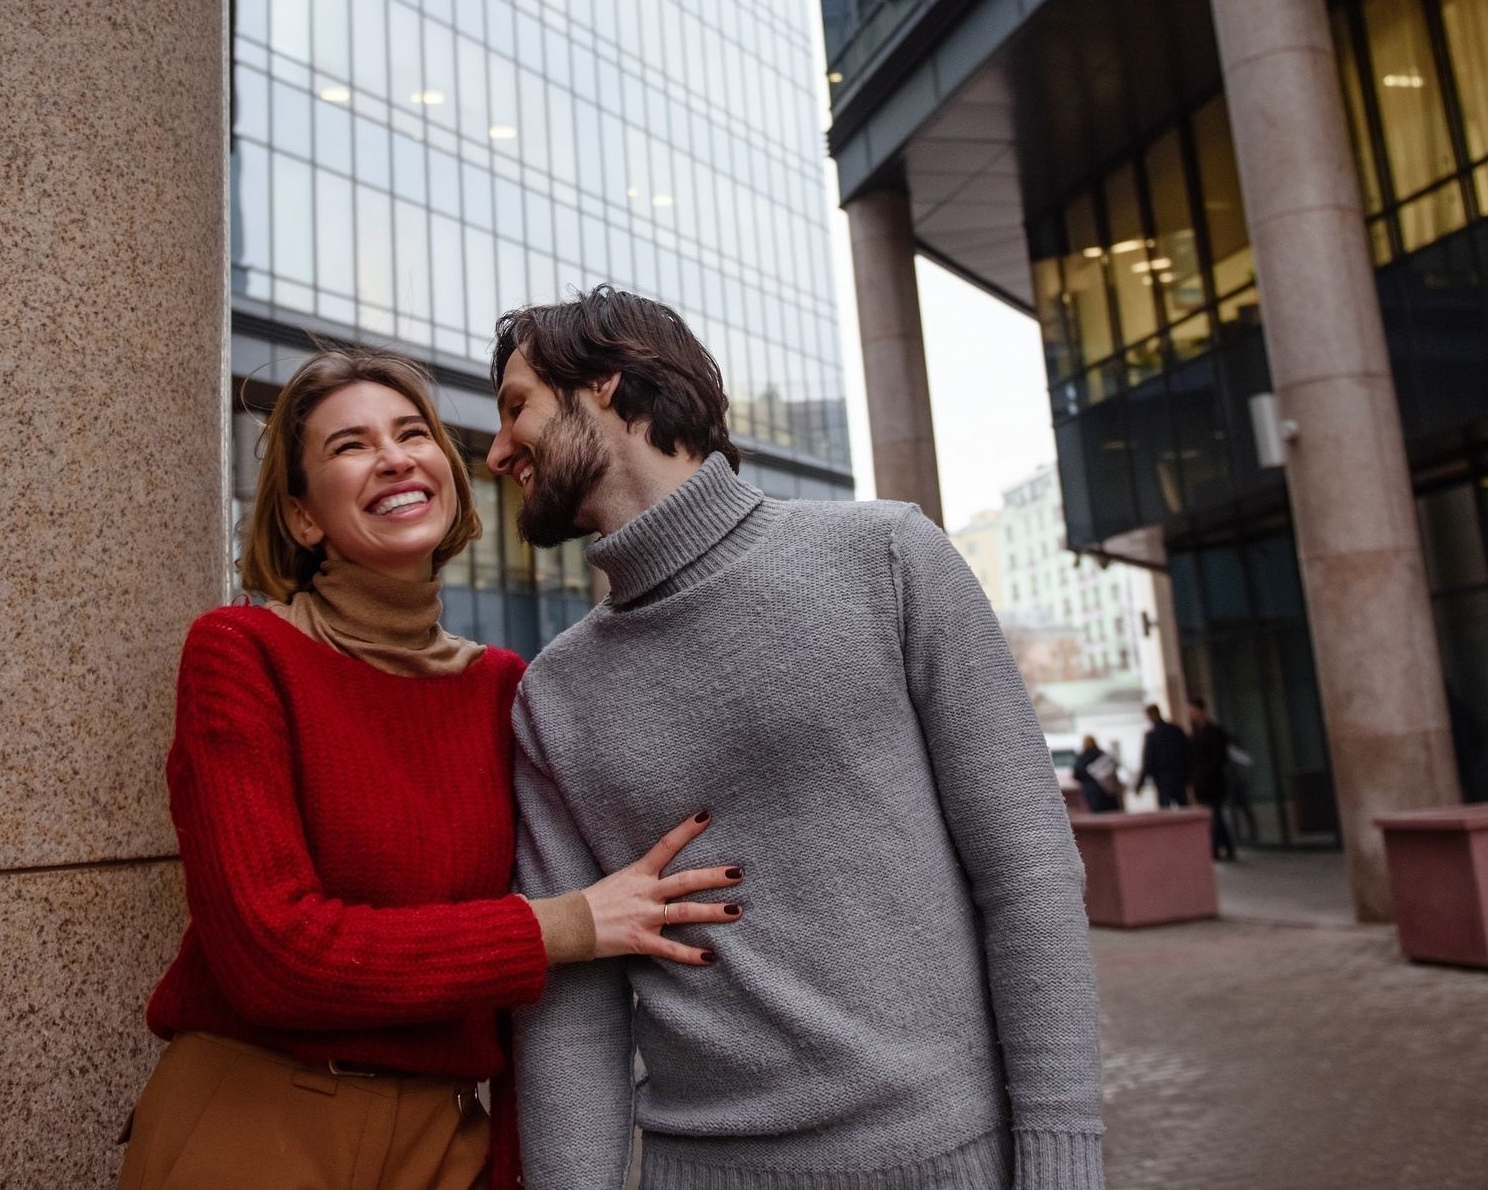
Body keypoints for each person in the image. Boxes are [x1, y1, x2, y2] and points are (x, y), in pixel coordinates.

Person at [489, 289, 1105, 1190]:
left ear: (608, 383)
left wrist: (1062, 1163)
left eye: (516, 407)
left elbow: (1028, 872)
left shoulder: (887, 559)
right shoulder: (552, 695)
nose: (499, 448)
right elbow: (574, 1009)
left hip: (949, 1162)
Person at [119, 347, 742, 1190]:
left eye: (412, 432)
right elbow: (274, 954)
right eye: (350, 445)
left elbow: (535, 1017)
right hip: (256, 1121)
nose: (394, 455)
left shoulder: (504, 688)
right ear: (303, 517)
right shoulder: (241, 654)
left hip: (449, 1141)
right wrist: (561, 925)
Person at [1187, 698, 1236, 860]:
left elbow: (1219, 757)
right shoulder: (1195, 733)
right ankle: (1224, 847)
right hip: (1203, 783)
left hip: (1213, 782)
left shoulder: (1214, 731)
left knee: (1215, 816)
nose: (1192, 715)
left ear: (1201, 711)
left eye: (1194, 711)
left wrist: (1206, 773)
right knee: (1215, 816)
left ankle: (1218, 848)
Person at [1136, 703, 1190, 808]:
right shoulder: (1176, 730)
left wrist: (1140, 783)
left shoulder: (1152, 736)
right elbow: (1187, 753)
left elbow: (1148, 761)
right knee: (1184, 807)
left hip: (1162, 779)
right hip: (1179, 776)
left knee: (1166, 810)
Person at [1074, 733, 1123, 813]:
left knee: (1098, 817)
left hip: (1092, 793)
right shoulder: (1103, 754)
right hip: (1108, 791)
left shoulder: (1082, 758)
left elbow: (1076, 775)